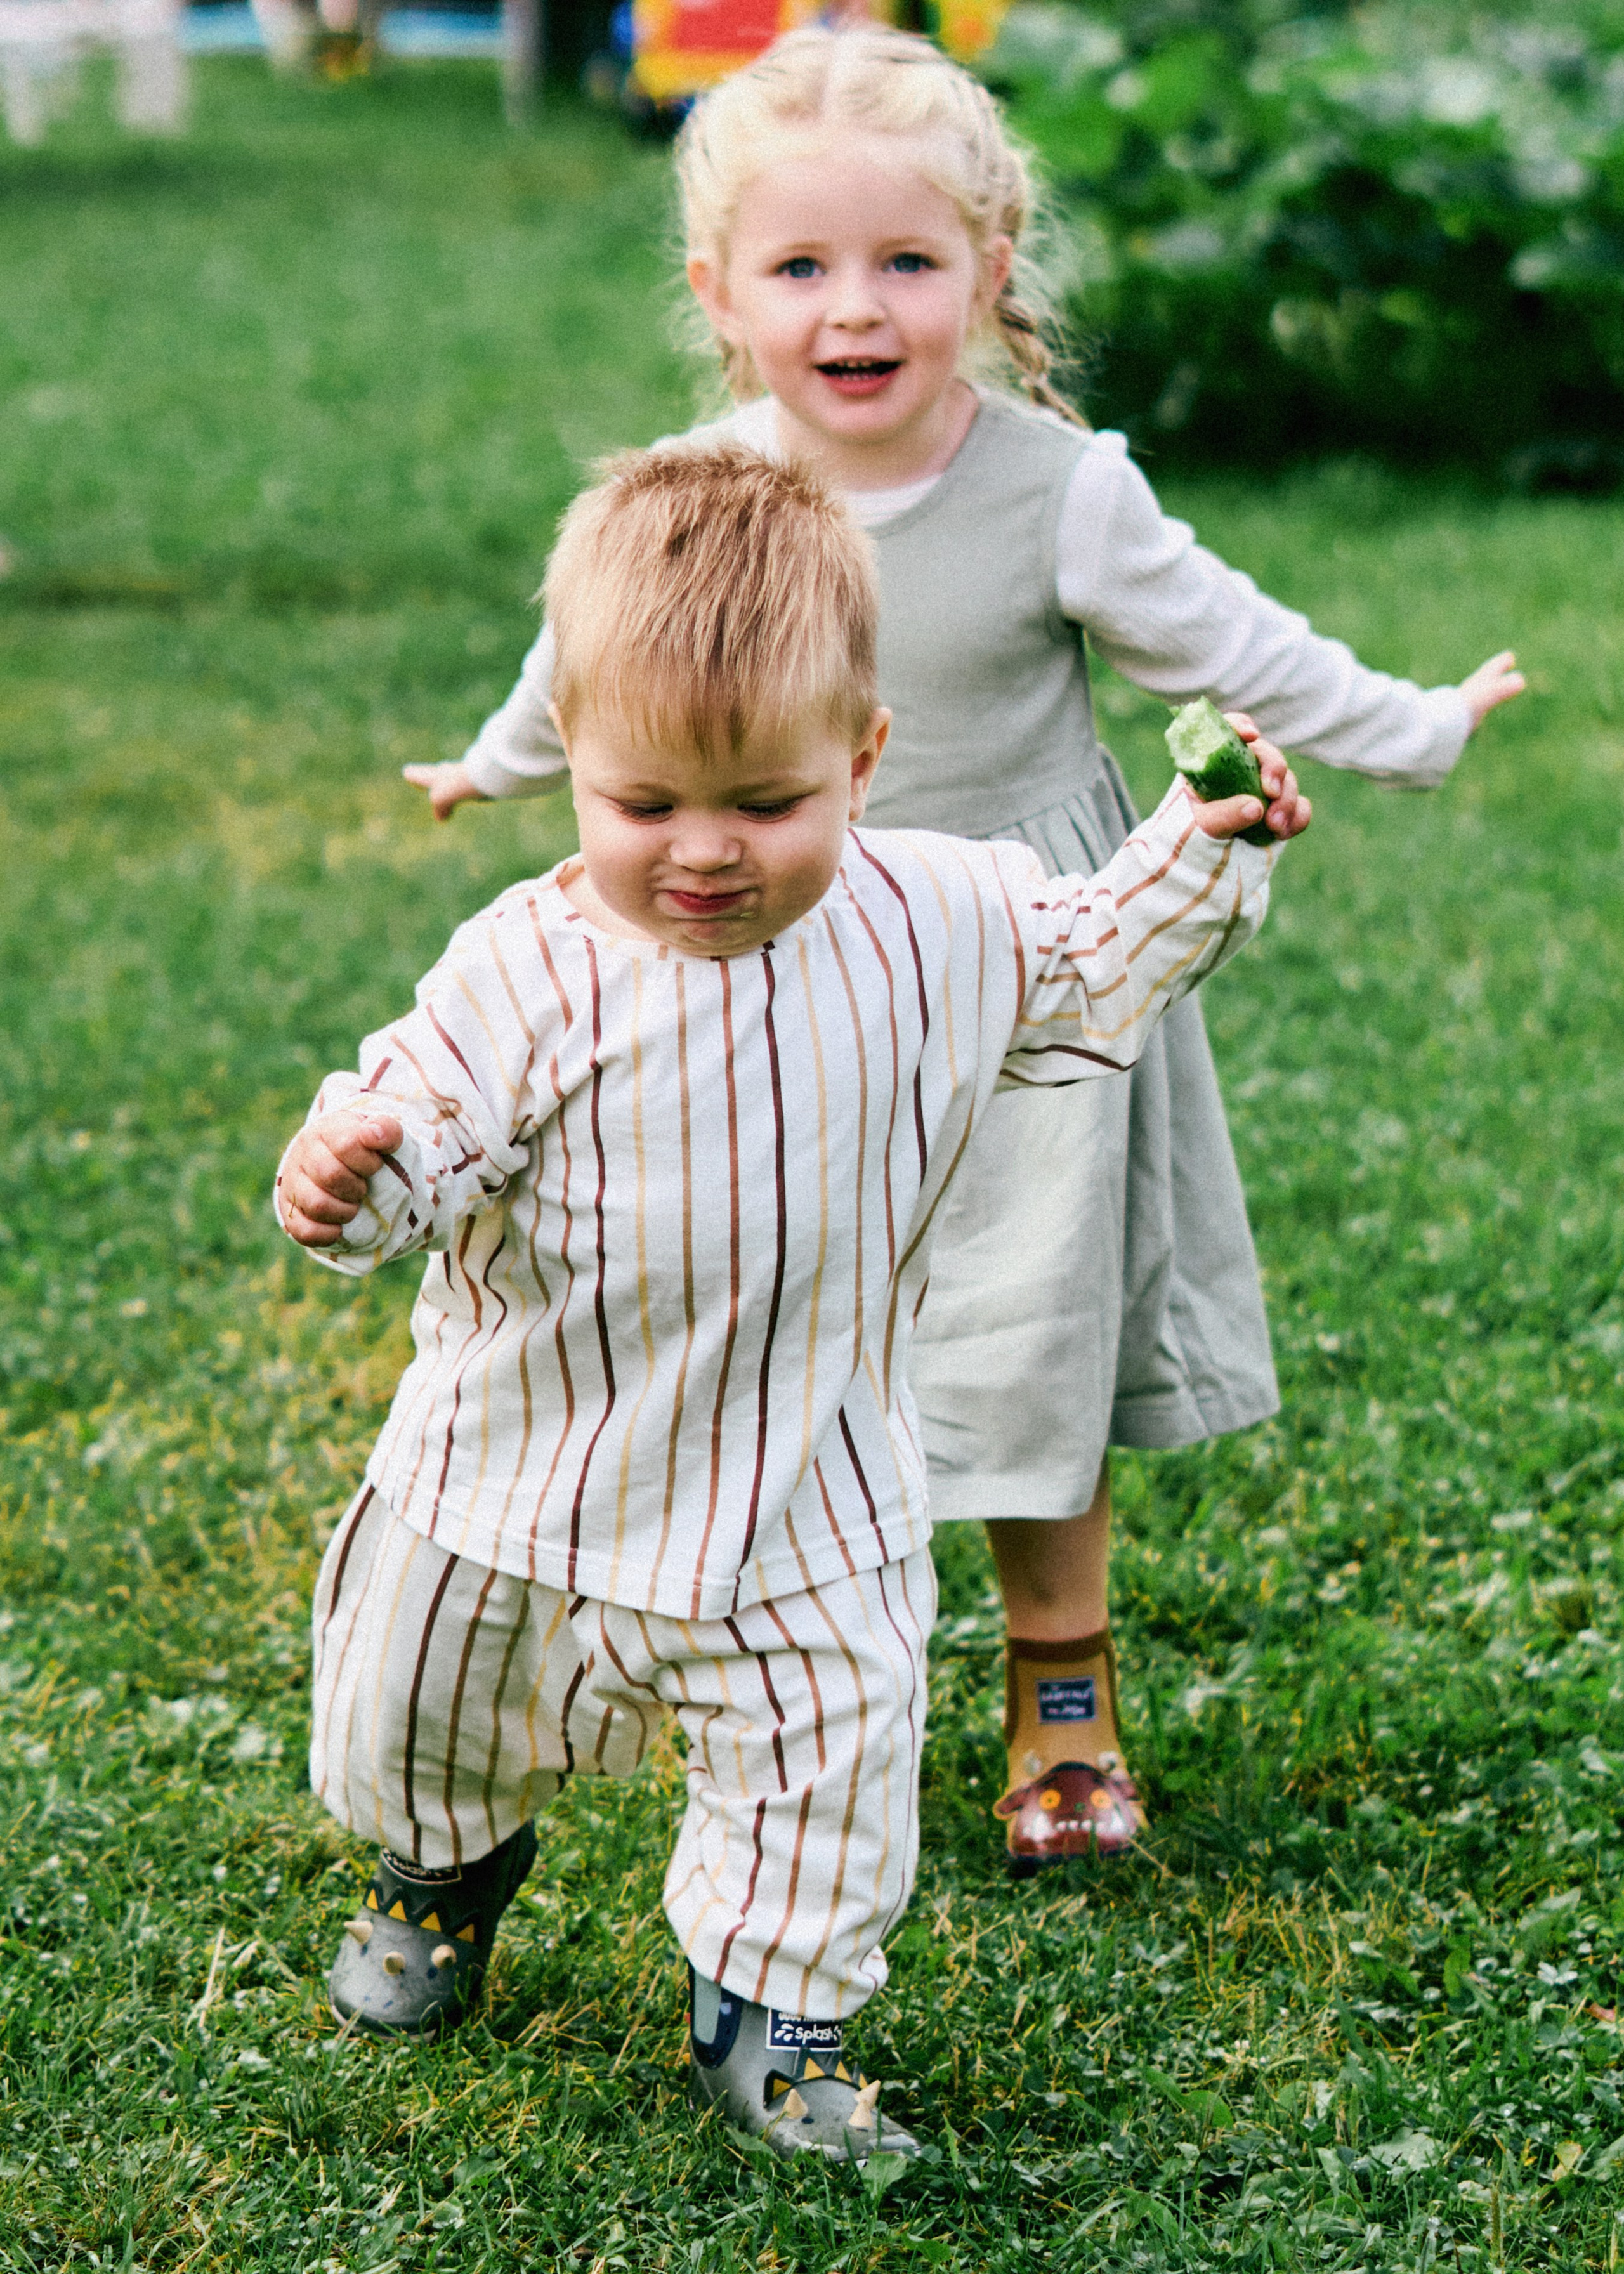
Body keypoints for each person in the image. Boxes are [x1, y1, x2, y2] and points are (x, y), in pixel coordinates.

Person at [399, 25, 1510, 1873]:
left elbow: (1243, 649)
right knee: (753, 1319)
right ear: (722, 294)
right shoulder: (703, 483)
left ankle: (1060, 1687)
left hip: (1015, 978)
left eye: (909, 263)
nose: (860, 306)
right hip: (758, 979)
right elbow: (591, 659)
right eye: (805, 267)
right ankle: (756, 1661)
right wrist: (501, 759)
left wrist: (1418, 721)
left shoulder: (1057, 490)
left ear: (990, 276)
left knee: (1021, 1331)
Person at [277, 446, 1306, 2158]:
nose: (703, 852)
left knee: (828, 1743)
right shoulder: (524, 970)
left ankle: (774, 2006)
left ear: (864, 756)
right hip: (522, 1469)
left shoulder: (934, 923)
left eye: (766, 803)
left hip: (800, 1479)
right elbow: (424, 1122)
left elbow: (1089, 957)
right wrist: (358, 1172)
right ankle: (440, 1867)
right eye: (641, 804)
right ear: (578, 777)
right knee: (420, 1700)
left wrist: (1198, 844)